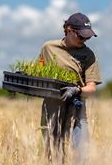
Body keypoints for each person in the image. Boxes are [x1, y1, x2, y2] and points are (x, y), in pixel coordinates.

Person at [38, 12, 102, 163]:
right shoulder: (48, 48)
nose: (84, 40)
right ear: (68, 29)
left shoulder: (88, 55)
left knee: (82, 154)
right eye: (81, 36)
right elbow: (38, 74)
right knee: (53, 156)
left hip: (77, 111)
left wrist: (78, 90)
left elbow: (92, 88)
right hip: (52, 111)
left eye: (88, 37)